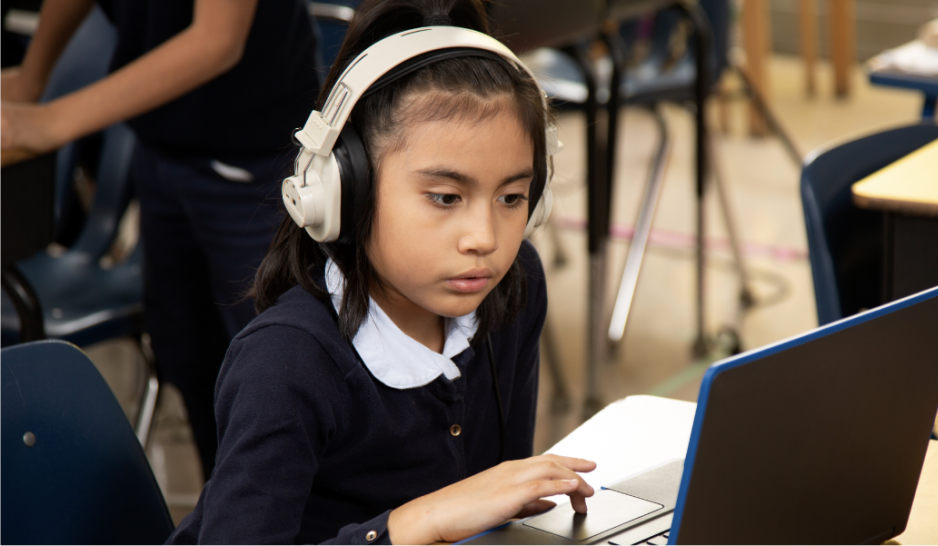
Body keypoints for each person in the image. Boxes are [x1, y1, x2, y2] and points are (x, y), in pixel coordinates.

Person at [163, 0, 596, 544]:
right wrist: (413, 524)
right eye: (445, 197)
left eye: (512, 197)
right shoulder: (287, 364)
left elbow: (494, 520)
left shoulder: (514, 286)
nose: (484, 238)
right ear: (346, 190)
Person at [0, 0, 320, 479]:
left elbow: (216, 40)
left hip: (252, 153)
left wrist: (52, 122)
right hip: (163, 145)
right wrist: (33, 74)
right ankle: (232, 507)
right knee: (191, 358)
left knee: (279, 381)